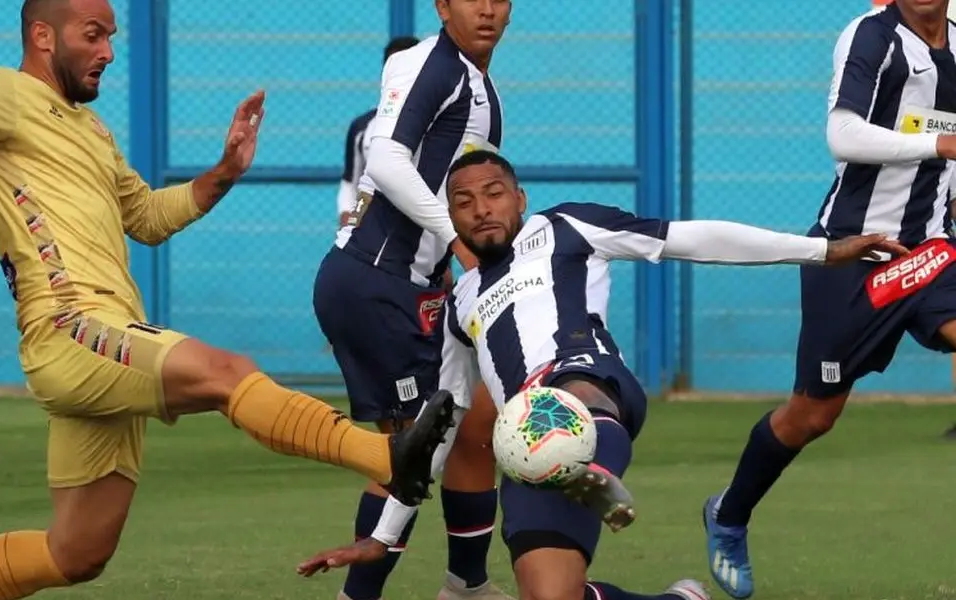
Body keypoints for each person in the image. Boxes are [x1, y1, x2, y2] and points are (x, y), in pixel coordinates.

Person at [0, 1, 458, 598]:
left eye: (114, 35)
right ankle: (386, 460)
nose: (108, 50)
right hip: (69, 328)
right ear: (44, 37)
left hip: (105, 338)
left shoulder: (90, 131)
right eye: (94, 33)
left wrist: (223, 172)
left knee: (77, 554)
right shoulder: (2, 91)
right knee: (226, 373)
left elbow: (147, 217)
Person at [297, 150, 904, 600]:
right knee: (551, 595)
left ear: (520, 198)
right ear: (449, 219)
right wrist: (383, 537)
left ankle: (577, 458)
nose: (482, 208)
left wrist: (823, 250)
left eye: (494, 192)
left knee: (560, 397)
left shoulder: (567, 229)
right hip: (525, 443)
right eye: (464, 201)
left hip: (590, 391)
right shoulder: (459, 309)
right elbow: (439, 434)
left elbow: (691, 238)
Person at [701, 1, 956, 597]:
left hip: (934, 250)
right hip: (855, 254)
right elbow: (841, 135)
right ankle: (730, 514)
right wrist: (938, 148)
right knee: (813, 415)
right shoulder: (871, 37)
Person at [312, 1, 512, 598]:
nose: (485, 7)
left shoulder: (477, 82)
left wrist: (447, 260)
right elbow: (386, 160)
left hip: (404, 283)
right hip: (377, 282)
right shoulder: (431, 62)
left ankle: (466, 584)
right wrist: (454, 241)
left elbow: (451, 179)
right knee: (412, 449)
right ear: (442, 7)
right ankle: (361, 595)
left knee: (473, 423)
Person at [334, 35, 419, 228]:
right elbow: (351, 184)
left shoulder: (444, 125)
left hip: (428, 241)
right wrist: (349, 221)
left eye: (409, 68)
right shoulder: (362, 128)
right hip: (373, 239)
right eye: (393, 68)